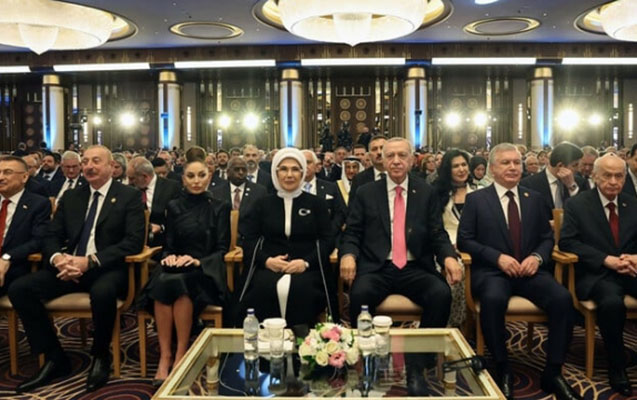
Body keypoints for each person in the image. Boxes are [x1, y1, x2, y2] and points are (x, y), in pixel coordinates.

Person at [9, 145, 145, 393]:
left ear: (111, 166)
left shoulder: (129, 196)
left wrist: (90, 261)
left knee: (102, 293)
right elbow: (51, 235)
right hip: (68, 268)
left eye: (96, 161)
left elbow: (133, 242)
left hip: (107, 269)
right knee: (20, 289)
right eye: (85, 162)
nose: (89, 166)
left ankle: (100, 355)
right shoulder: (72, 197)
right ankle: (54, 357)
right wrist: (57, 259)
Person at [457, 143, 581, 400]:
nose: (513, 167)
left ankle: (553, 372)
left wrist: (537, 257)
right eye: (506, 163)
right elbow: (465, 240)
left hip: (530, 271)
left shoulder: (533, 198)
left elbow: (546, 238)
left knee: (562, 299)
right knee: (493, 300)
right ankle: (502, 367)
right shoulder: (477, 199)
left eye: (516, 162)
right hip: (493, 272)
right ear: (492, 168)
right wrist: (497, 258)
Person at [340, 138, 462, 396]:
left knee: (440, 294)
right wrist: (348, 255)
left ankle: (418, 364)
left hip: (415, 266)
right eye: (390, 156)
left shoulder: (425, 192)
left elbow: (437, 233)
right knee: (359, 295)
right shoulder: (366, 192)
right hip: (377, 267)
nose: (396, 161)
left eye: (402, 155)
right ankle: (368, 360)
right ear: (382, 161)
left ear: (411, 160)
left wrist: (449, 257)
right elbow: (352, 232)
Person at [137, 158, 230, 386]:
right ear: (183, 179)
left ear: (209, 177)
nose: (196, 181)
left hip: (204, 270)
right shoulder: (173, 206)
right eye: (191, 176)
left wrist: (198, 261)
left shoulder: (220, 206)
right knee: (163, 281)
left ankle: (180, 353)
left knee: (180, 285)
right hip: (175, 265)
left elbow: (222, 248)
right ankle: (165, 355)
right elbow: (169, 244)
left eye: (201, 175)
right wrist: (169, 256)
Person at [559, 153, 637, 396]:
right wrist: (606, 260)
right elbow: (567, 242)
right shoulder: (578, 204)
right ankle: (617, 366)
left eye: (619, 176)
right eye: (607, 176)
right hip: (597, 274)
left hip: (631, 270)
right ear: (594, 175)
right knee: (612, 303)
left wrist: (635, 258)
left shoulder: (633, 203)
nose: (613, 182)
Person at [239, 148, 336, 327]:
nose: (289, 175)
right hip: (269, 266)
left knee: (301, 290)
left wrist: (305, 263)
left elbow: (327, 240)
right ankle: (269, 340)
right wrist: (267, 261)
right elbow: (249, 240)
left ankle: (301, 340)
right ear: (275, 172)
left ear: (302, 172)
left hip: (307, 267)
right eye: (283, 169)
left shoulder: (317, 204)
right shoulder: (262, 204)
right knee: (262, 288)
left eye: (295, 169)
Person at [432, 149, 476, 328]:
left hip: (474, 243)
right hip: (444, 244)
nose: (461, 169)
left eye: (464, 165)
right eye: (456, 166)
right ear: (447, 170)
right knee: (455, 268)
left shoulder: (479, 191)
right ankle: (450, 322)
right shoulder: (436, 193)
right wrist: (449, 246)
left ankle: (469, 321)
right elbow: (434, 227)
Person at [0, 156, 51, 297]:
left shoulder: (38, 204)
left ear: (24, 177)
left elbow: (38, 241)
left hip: (15, 264)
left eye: (7, 172)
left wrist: (7, 257)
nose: (1, 177)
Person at [127, 157, 181, 248]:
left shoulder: (172, 188)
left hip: (163, 242)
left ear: (145, 177)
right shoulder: (129, 189)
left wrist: (161, 227)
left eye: (132, 178)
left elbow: (179, 218)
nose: (129, 182)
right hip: (135, 242)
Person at [212, 157, 267, 245]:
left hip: (250, 243)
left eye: (244, 169)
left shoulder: (259, 192)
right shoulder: (216, 193)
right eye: (237, 169)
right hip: (223, 244)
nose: (241, 172)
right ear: (228, 172)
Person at [521, 141, 585, 211]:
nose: (578, 169)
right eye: (575, 165)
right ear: (560, 165)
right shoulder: (529, 184)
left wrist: (572, 187)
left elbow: (584, 210)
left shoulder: (580, 183)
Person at [301, 150, 347, 237]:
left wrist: (330, 232)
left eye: (308, 162)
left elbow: (340, 213)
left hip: (327, 238)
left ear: (316, 165)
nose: (305, 166)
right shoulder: (291, 189)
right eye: (301, 163)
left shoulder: (331, 187)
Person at [348, 135, 387, 208]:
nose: (379, 152)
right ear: (369, 155)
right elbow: (353, 208)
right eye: (374, 149)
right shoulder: (359, 179)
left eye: (382, 148)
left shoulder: (399, 175)